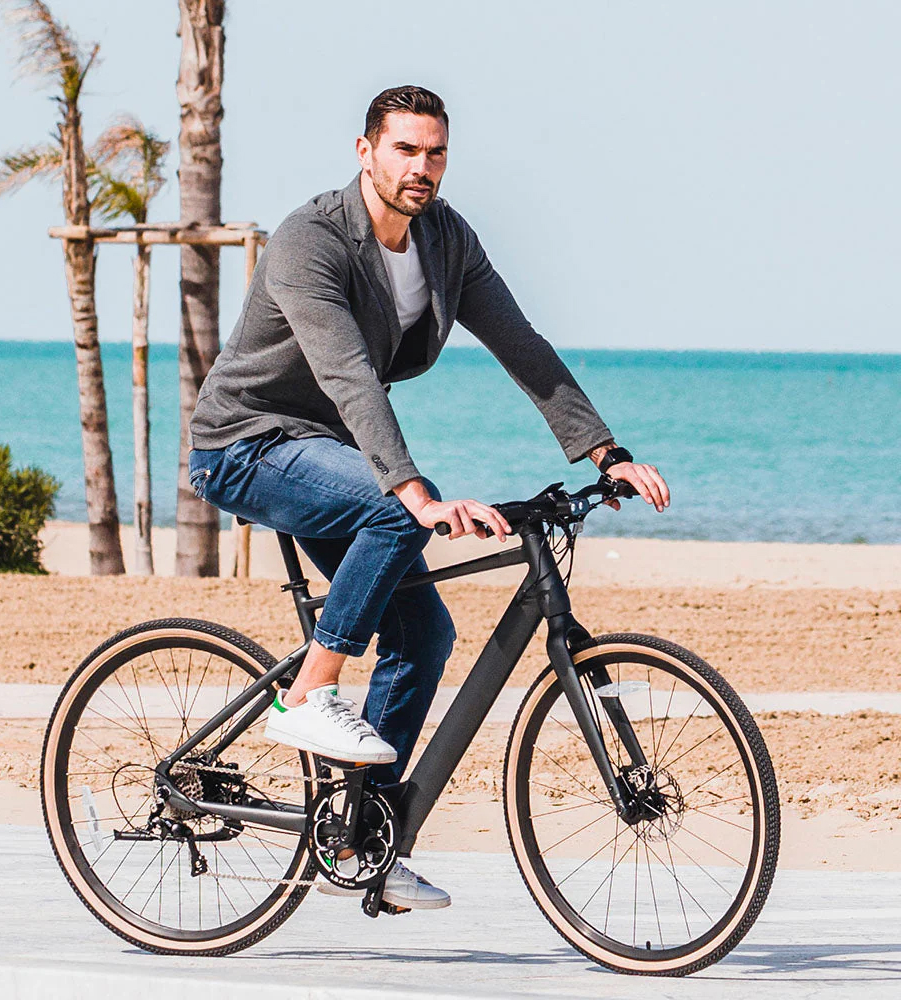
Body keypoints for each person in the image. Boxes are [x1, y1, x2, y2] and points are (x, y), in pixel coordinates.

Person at [188, 85, 670, 909]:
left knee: (424, 633)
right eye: (405, 149)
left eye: (436, 152)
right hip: (247, 445)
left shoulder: (445, 242)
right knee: (395, 510)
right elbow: (347, 375)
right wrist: (414, 492)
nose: (422, 167)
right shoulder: (310, 240)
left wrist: (604, 450)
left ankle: (356, 841)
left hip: (332, 455)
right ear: (365, 151)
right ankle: (309, 692)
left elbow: (521, 343)